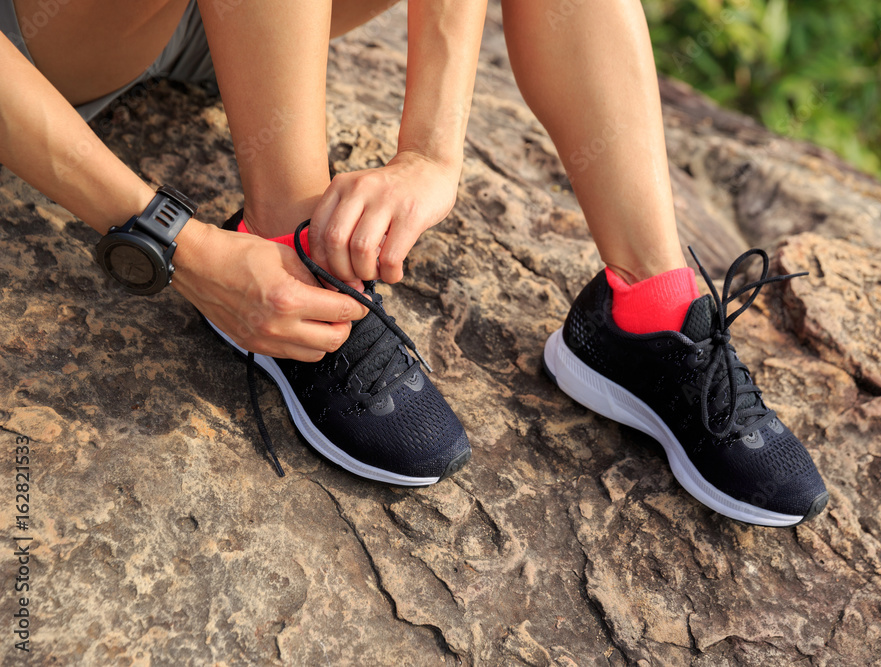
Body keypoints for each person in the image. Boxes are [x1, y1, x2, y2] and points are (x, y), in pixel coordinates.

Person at [0, 0, 827, 526]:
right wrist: (173, 243)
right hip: (56, 45)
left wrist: (431, 151)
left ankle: (649, 310)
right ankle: (295, 244)